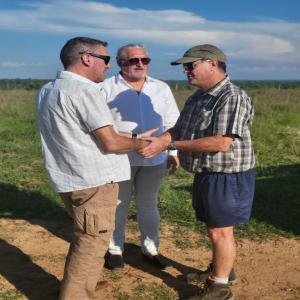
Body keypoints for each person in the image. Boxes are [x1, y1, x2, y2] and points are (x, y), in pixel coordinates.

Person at [36, 37, 151, 300]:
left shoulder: (48, 89)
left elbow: (75, 132)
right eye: (106, 59)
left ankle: (80, 287)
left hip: (69, 177)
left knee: (84, 237)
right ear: (87, 58)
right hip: (93, 182)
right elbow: (110, 142)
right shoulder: (85, 91)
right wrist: (141, 142)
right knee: (91, 244)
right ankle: (76, 294)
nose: (109, 66)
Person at [140, 44, 255, 300]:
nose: (186, 71)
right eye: (185, 66)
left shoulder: (231, 96)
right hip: (207, 172)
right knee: (213, 227)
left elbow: (220, 143)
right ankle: (222, 271)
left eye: (190, 65)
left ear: (212, 63)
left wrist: (167, 144)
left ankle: (220, 288)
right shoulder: (199, 96)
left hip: (227, 174)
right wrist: (160, 139)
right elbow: (179, 129)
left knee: (220, 231)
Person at [100, 43, 180, 270]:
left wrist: (172, 149)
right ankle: (115, 250)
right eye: (133, 60)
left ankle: (150, 249)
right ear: (120, 63)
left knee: (148, 204)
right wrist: (132, 140)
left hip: (155, 158)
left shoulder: (161, 88)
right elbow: (99, 125)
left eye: (144, 60)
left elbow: (173, 121)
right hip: (119, 157)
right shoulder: (105, 88)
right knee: (118, 204)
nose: (140, 64)